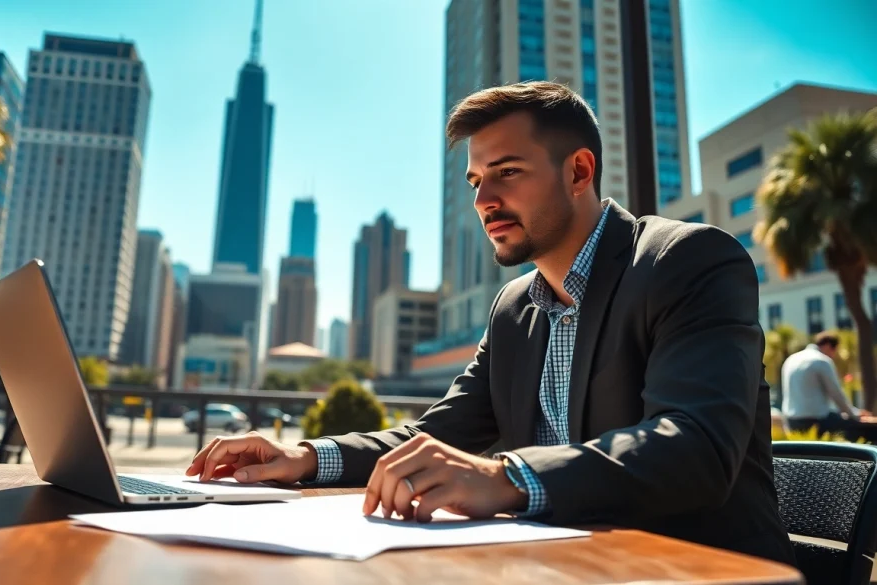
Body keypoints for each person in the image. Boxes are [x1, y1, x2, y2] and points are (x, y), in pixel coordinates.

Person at [187, 81, 796, 566]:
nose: (483, 201)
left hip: (699, 569)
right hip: (564, 563)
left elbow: (694, 447)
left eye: (507, 172)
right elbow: (434, 438)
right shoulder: (514, 308)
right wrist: (302, 458)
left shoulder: (686, 260)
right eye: (477, 181)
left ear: (579, 171)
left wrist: (507, 476)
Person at [781, 331, 864, 434]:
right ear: (828, 346)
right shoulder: (822, 361)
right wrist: (854, 414)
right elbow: (836, 394)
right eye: (835, 351)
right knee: (864, 430)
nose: (834, 355)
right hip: (816, 421)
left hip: (791, 421)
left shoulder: (791, 359)